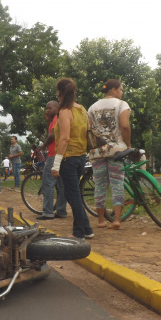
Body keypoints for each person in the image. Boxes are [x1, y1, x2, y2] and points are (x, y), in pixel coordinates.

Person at [51, 78, 94, 239]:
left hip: (68, 158)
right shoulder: (82, 109)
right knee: (71, 193)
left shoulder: (64, 112)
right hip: (81, 157)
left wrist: (56, 163)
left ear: (59, 93)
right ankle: (86, 229)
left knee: (72, 194)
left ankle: (80, 232)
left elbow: (64, 138)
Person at [87, 79, 131, 229]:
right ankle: (117, 220)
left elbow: (90, 130)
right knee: (117, 183)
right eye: (120, 89)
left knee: (100, 185)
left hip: (97, 151)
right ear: (113, 90)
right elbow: (125, 126)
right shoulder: (121, 105)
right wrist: (128, 144)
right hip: (116, 150)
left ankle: (101, 221)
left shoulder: (92, 107)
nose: (122, 92)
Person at [36, 100, 67, 221]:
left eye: (50, 108)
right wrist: (47, 120)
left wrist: (44, 145)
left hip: (53, 154)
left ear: (57, 107)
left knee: (47, 183)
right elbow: (51, 132)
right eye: (46, 108)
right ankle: (61, 210)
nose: (47, 110)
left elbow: (52, 135)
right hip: (60, 154)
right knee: (61, 185)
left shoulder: (57, 117)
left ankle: (48, 212)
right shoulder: (56, 119)